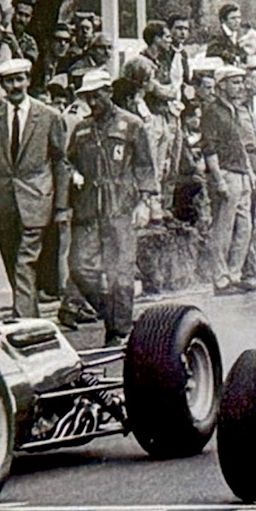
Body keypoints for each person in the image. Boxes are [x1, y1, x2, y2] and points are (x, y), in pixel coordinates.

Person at [0, 58, 69, 318]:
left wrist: (61, 205)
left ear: (28, 81)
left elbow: (61, 161)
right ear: (2, 85)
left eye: (19, 79)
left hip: (37, 199)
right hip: (3, 203)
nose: (15, 86)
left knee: (25, 261)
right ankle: (30, 317)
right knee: (13, 262)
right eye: (9, 81)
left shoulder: (48, 116)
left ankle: (22, 318)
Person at [66, 69, 156, 341]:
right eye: (87, 97)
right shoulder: (82, 129)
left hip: (120, 207)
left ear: (108, 92)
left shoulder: (131, 125)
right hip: (89, 209)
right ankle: (114, 316)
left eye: (97, 96)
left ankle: (120, 331)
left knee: (121, 272)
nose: (93, 102)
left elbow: (144, 166)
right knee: (80, 268)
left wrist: (145, 202)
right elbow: (67, 160)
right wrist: (73, 173)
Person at [198, 65, 256, 294]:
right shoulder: (212, 111)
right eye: (235, 82)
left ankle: (234, 274)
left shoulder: (234, 110)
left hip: (241, 173)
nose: (241, 86)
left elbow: (240, 145)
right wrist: (218, 179)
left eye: (241, 81)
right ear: (221, 85)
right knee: (223, 228)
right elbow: (209, 147)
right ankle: (221, 279)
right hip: (225, 173)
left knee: (245, 227)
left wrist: (250, 173)